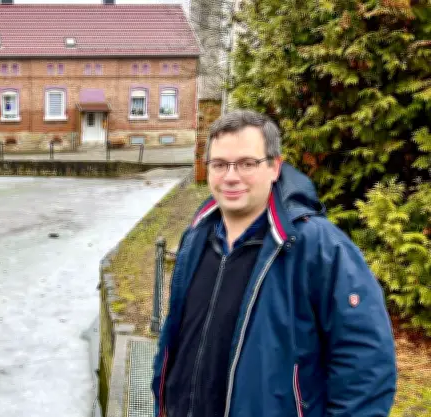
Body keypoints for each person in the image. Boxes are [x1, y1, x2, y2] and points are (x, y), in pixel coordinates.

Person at [150, 110, 397, 417]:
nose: (231, 176)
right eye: (220, 164)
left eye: (247, 163)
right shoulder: (196, 236)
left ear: (274, 167)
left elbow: (366, 365)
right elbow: (175, 338)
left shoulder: (318, 246)